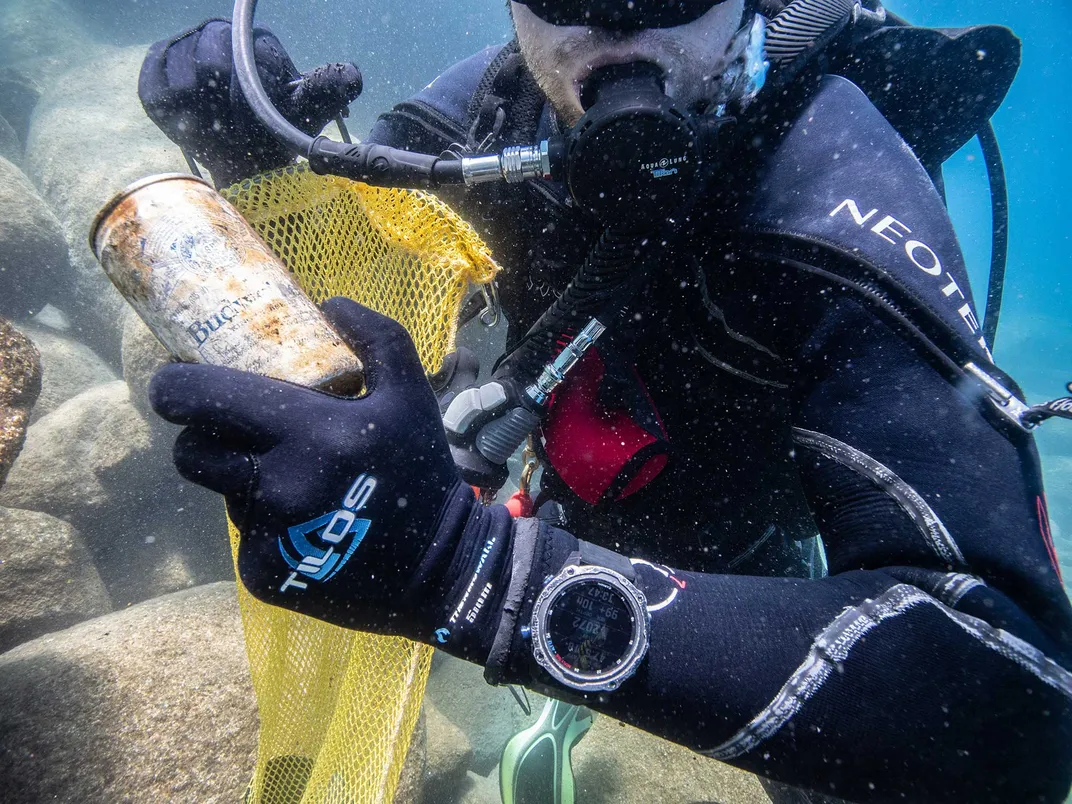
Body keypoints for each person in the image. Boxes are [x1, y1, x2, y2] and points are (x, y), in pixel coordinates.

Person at [138, 1, 1072, 801]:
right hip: (568, 485)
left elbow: (1016, 702)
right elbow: (367, 331)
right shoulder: (479, 124)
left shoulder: (834, 181)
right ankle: (567, 669)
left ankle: (569, 657)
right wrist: (262, 179)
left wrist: (472, 573)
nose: (618, 25)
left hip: (762, 548)